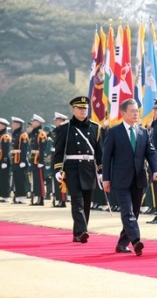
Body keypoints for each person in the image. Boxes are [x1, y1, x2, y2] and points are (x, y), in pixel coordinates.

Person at [102, 98, 157, 256]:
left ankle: (122, 244)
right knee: (127, 212)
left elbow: (151, 153)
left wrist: (155, 170)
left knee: (134, 213)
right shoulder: (114, 132)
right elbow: (106, 158)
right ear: (123, 113)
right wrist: (105, 179)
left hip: (139, 178)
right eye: (133, 111)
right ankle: (136, 241)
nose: (136, 114)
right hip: (120, 179)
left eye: (137, 111)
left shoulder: (143, 131)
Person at [53, 97, 103, 243]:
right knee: (77, 201)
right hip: (72, 168)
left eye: (85, 108)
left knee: (86, 202)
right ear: (73, 110)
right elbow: (58, 152)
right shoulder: (65, 128)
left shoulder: (95, 127)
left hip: (88, 168)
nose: (83, 111)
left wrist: (101, 171)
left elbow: (100, 153)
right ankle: (82, 231)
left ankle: (78, 233)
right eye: (80, 108)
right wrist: (58, 169)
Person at [29, 114, 48, 206]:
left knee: (40, 180)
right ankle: (37, 197)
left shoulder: (41, 134)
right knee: (35, 180)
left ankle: (41, 199)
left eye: (33, 121)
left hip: (38, 160)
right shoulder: (34, 133)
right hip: (33, 159)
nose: (32, 123)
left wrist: (41, 161)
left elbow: (42, 149)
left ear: (38, 122)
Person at [10, 116, 29, 204]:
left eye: (14, 123)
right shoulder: (15, 134)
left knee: (21, 179)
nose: (12, 125)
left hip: (20, 160)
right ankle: (18, 196)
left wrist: (22, 161)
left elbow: (24, 149)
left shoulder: (23, 135)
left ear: (18, 124)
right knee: (16, 179)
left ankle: (22, 197)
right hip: (15, 159)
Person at [53, 112, 69, 208]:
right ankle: (59, 199)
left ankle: (62, 200)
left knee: (62, 180)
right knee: (57, 180)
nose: (56, 122)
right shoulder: (56, 131)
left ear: (62, 121)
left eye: (57, 120)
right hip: (56, 157)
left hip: (63, 158)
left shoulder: (65, 131)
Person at [0, 118, 12, 202]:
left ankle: (6, 196)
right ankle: (2, 195)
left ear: (3, 126)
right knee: (1, 178)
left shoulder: (5, 136)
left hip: (4, 159)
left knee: (5, 178)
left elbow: (6, 150)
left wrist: (4, 160)